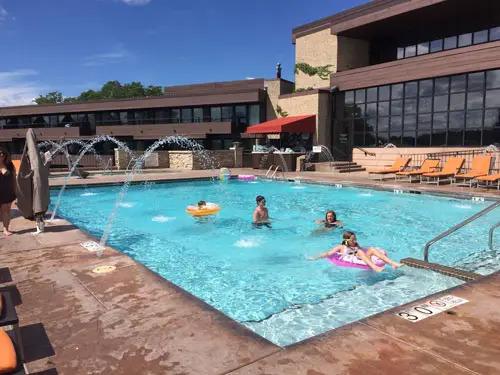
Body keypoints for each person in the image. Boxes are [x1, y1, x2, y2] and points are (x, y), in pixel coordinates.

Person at [308, 231, 403, 272]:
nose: (355, 241)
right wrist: (315, 258)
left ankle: (392, 263)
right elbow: (328, 253)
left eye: (355, 238)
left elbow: (364, 252)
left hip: (363, 259)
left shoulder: (356, 245)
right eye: (353, 239)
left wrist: (359, 250)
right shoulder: (341, 247)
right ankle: (375, 268)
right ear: (346, 240)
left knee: (372, 248)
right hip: (356, 258)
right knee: (359, 252)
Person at [0, 147, 16, 237]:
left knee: (6, 212)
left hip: (7, 192)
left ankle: (5, 229)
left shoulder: (9, 165)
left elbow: (14, 179)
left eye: (3, 153)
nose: (2, 155)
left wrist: (16, 190)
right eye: (0, 153)